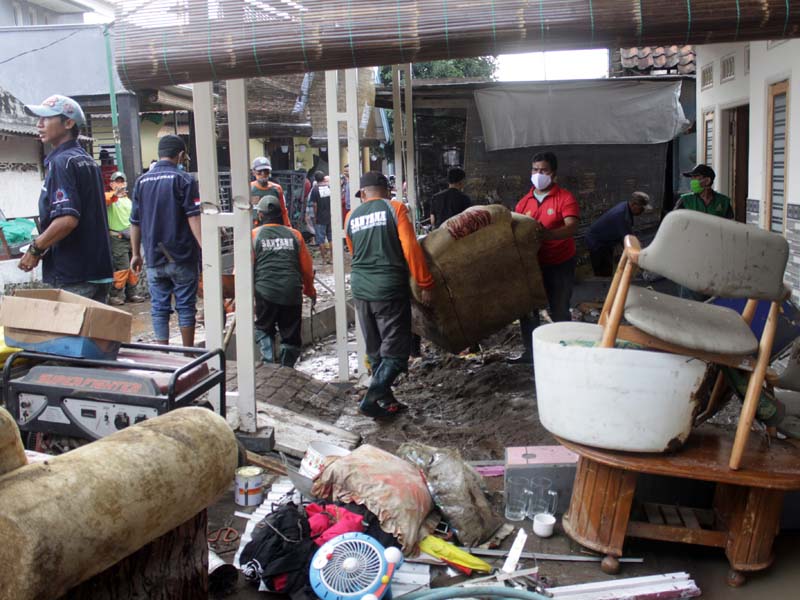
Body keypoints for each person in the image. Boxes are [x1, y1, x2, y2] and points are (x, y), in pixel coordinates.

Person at [345, 171, 435, 419]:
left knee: (375, 349)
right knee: (395, 352)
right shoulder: (395, 208)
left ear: (364, 193)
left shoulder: (350, 217)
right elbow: (410, 247)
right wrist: (424, 282)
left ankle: (385, 398)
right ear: (386, 190)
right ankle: (370, 400)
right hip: (388, 289)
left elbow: (354, 252)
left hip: (361, 290)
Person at [18, 95, 113, 302]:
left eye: (46, 119)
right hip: (97, 270)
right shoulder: (87, 160)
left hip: (74, 274)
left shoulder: (62, 163)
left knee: (72, 335)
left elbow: (67, 220)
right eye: (39, 119)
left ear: (68, 123)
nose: (39, 124)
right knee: (95, 335)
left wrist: (36, 249)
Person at [130, 135, 202, 347]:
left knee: (159, 307)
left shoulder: (141, 182)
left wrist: (135, 253)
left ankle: (163, 355)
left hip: (153, 257)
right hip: (182, 256)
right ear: (180, 155)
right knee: (186, 306)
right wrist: (205, 248)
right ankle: (189, 355)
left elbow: (135, 221)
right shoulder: (185, 180)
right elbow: (194, 217)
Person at [510, 151, 580, 364]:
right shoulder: (524, 203)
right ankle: (531, 353)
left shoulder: (565, 198)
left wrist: (547, 235)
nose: (538, 174)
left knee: (559, 308)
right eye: (535, 170)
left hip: (560, 262)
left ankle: (563, 353)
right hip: (533, 265)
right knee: (528, 309)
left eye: (543, 171)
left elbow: (571, 227)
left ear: (553, 173)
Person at [252, 195, 316, 367]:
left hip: (265, 292)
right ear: (281, 214)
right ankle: (287, 368)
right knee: (291, 335)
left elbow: (243, 270)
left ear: (260, 216)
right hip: (291, 292)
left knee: (264, 328)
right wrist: (310, 290)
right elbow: (307, 269)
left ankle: (269, 364)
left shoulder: (253, 236)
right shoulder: (295, 235)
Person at [585, 191, 652, 277]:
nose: (643, 211)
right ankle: (603, 288)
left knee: (608, 267)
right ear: (633, 204)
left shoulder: (626, 207)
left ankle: (606, 284)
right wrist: (643, 264)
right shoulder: (621, 215)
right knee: (603, 271)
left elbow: (629, 235)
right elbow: (629, 244)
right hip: (596, 242)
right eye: (641, 208)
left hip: (605, 240)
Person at [105, 171, 145, 305]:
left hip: (130, 238)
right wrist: (115, 194)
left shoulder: (128, 201)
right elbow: (106, 200)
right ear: (111, 184)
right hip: (118, 238)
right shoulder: (109, 198)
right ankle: (115, 295)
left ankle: (132, 293)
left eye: (122, 181)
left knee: (133, 267)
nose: (120, 184)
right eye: (117, 181)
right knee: (122, 267)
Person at [250, 156, 289, 226]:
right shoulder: (249, 189)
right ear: (253, 172)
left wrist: (288, 227)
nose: (263, 174)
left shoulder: (277, 189)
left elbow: (283, 211)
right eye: (259, 172)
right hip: (254, 228)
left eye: (266, 171)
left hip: (273, 228)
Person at [310, 171, 332, 263]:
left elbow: (314, 205)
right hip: (330, 216)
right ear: (323, 178)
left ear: (315, 179)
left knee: (321, 240)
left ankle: (323, 260)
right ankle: (332, 258)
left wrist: (315, 216)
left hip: (320, 217)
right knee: (331, 238)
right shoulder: (329, 188)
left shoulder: (315, 190)